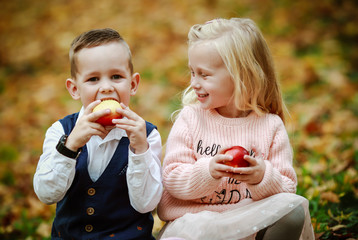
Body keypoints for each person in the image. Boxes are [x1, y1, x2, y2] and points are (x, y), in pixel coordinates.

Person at [157, 18, 314, 240]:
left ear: (241, 77)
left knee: (293, 211)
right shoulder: (191, 118)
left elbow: (287, 189)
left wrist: (262, 177)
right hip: (195, 226)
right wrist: (208, 171)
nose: (194, 82)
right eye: (192, 72)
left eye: (204, 74)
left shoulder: (269, 126)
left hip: (248, 223)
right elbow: (172, 179)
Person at [33, 28, 163, 240]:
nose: (106, 87)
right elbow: (46, 194)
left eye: (116, 76)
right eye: (93, 79)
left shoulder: (146, 135)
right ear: (74, 89)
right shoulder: (62, 132)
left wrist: (140, 150)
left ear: (133, 84)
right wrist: (70, 146)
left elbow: (147, 203)